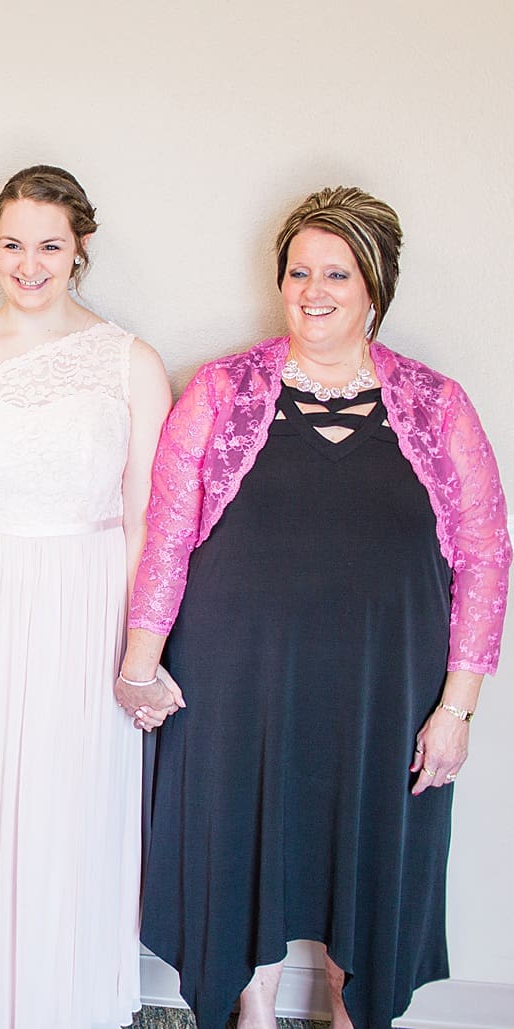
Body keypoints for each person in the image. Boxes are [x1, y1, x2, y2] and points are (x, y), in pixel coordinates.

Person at [123, 186, 510, 1029]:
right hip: (237, 681)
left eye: (336, 273)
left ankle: (347, 1005)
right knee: (239, 842)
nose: (312, 291)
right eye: (298, 271)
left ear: (374, 286)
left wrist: (456, 710)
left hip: (384, 692)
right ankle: (253, 1006)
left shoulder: (436, 404)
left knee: (368, 852)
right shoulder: (222, 389)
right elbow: (167, 532)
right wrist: (139, 662)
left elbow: (485, 556)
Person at [0, 165, 171, 1029]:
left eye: (48, 246)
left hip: (79, 602)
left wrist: (141, 647)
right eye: (13, 244)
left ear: (78, 248)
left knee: (66, 801)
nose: (28, 264)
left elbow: (147, 521)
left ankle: (63, 998)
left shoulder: (130, 363)